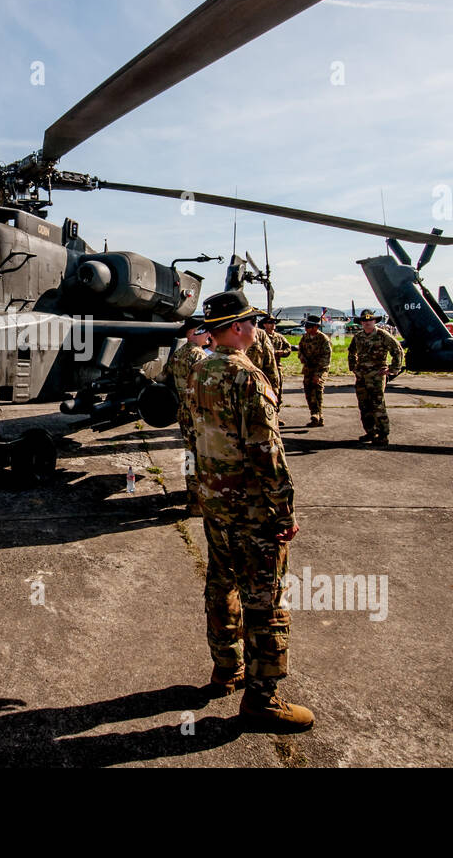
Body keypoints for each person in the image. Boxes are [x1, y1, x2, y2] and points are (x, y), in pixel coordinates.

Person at [190, 289, 313, 731]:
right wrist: (284, 511)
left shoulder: (200, 372)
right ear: (239, 328)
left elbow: (195, 437)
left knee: (221, 582)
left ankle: (227, 667)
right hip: (252, 512)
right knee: (265, 601)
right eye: (253, 323)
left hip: (216, 503)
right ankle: (263, 699)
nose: (258, 329)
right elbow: (266, 450)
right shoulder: (247, 377)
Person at [160, 317, 212, 514]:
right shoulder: (200, 357)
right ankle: (201, 500)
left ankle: (192, 499)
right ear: (193, 333)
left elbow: (163, 377)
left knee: (190, 456)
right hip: (200, 414)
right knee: (203, 457)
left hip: (184, 412)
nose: (208, 334)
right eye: (204, 331)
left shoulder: (177, 355)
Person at [347, 309, 403, 445]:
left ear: (374, 321)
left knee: (377, 405)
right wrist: (353, 367)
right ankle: (370, 432)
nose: (367, 323)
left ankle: (383, 435)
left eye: (370, 320)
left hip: (377, 376)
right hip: (361, 376)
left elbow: (397, 350)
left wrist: (393, 369)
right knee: (364, 406)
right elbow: (351, 352)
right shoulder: (358, 337)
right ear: (361, 322)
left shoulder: (382, 335)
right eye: (364, 321)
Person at [297, 315, 332, 426]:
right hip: (308, 368)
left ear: (315, 327)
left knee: (317, 389)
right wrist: (301, 357)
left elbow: (326, 357)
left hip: (320, 369)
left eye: (309, 326)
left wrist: (318, 374)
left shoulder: (323, 339)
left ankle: (318, 415)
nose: (306, 328)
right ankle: (314, 414)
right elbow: (300, 350)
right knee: (308, 390)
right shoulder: (305, 337)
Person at [258, 314, 291, 417]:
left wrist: (280, 352)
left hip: (276, 368)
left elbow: (288, 349)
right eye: (270, 322)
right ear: (264, 324)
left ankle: (276, 416)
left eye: (274, 323)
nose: (273, 325)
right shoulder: (261, 337)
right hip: (263, 369)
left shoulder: (279, 337)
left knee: (277, 392)